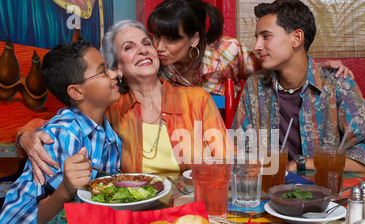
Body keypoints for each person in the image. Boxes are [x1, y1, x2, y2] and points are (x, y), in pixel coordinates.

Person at [16, 20, 231, 185]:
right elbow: (60, 123)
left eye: (146, 43)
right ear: (116, 67)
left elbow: (226, 161)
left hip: (194, 204)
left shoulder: (196, 99)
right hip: (139, 209)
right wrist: (26, 136)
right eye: (129, 47)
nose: (143, 50)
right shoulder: (112, 108)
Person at [232, 0, 365, 173]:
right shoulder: (255, 87)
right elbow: (238, 150)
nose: (257, 46)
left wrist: (302, 164)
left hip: (326, 194)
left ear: (296, 38)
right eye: (256, 38)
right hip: (271, 193)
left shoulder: (336, 85)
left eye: (266, 36)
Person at [0, 39, 122, 224]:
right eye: (103, 71)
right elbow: (42, 217)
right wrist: (66, 188)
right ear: (76, 91)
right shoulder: (61, 133)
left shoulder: (112, 140)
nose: (115, 74)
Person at [147, 0, 354, 95]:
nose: (158, 47)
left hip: (222, 135)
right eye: (156, 36)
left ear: (194, 39)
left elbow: (273, 65)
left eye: (171, 39)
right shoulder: (154, 61)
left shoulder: (226, 52)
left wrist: (319, 68)